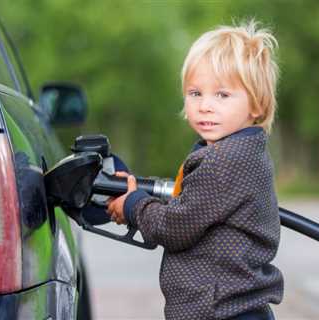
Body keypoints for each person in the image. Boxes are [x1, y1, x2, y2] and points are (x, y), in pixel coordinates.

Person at [107, 20, 283, 320]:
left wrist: (135, 205)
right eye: (195, 93)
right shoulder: (240, 152)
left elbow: (177, 227)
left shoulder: (224, 161)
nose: (205, 106)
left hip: (222, 312)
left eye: (222, 95)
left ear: (257, 104)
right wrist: (139, 193)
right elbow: (194, 208)